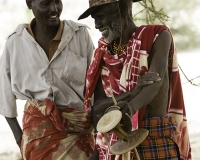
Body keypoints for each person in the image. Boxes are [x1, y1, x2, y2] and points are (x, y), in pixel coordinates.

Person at [78, 0, 192, 159]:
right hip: (116, 144)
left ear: (123, 8)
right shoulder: (104, 55)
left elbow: (154, 84)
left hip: (154, 138)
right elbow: (97, 110)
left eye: (101, 16)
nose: (97, 25)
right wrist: (133, 92)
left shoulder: (157, 36)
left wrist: (128, 110)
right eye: (94, 19)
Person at [0, 0, 96, 159]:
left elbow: (96, 88)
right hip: (38, 141)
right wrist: (20, 139)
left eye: (57, 2)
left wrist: (99, 142)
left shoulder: (80, 35)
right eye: (45, 3)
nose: (54, 9)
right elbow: (4, 97)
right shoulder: (14, 44)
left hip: (80, 136)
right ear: (30, 3)